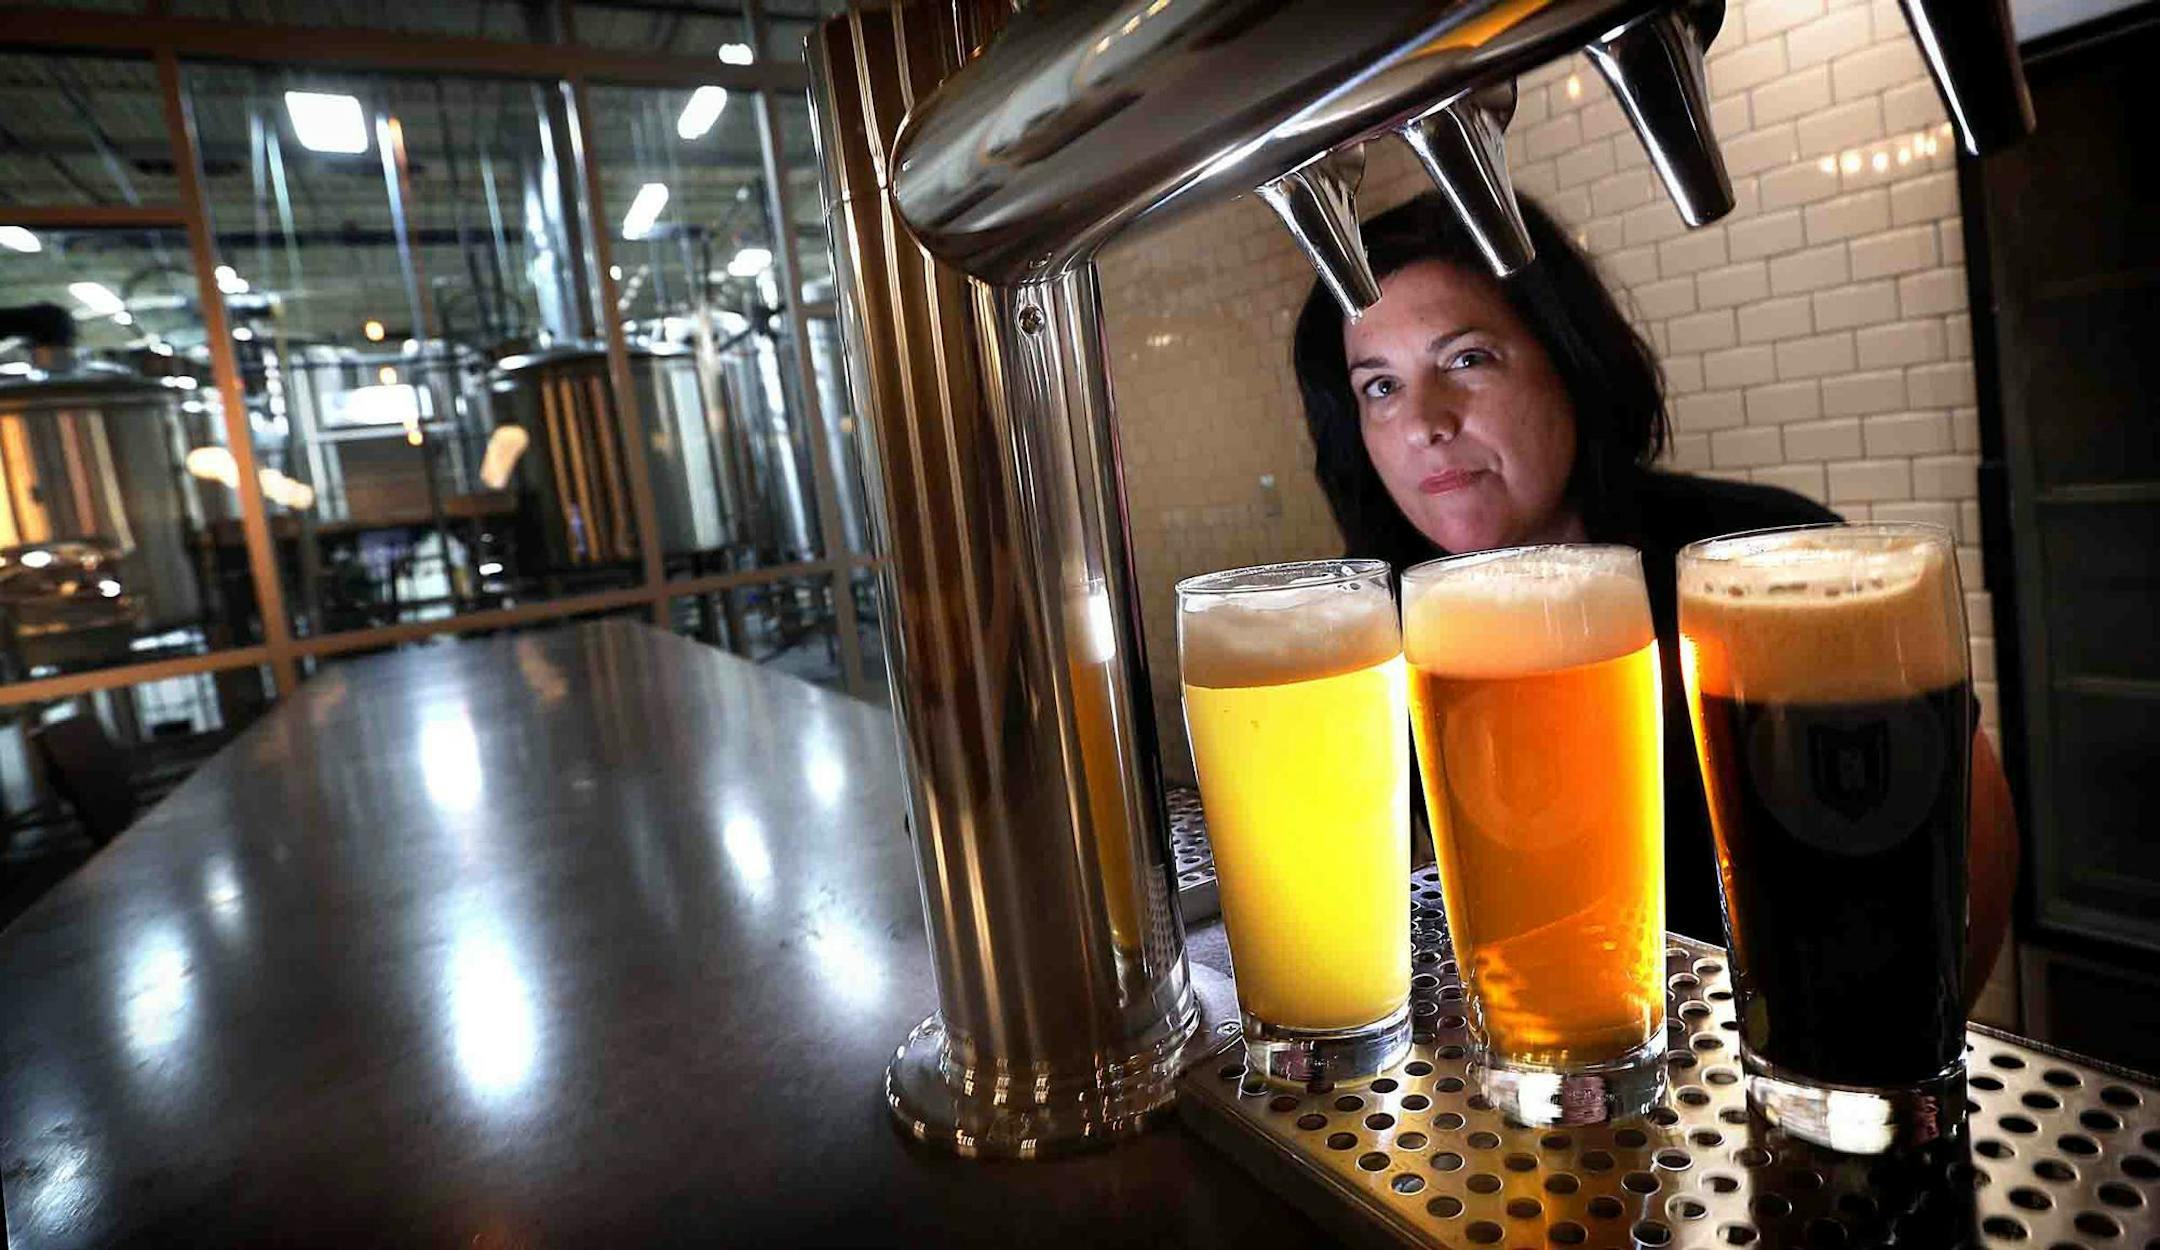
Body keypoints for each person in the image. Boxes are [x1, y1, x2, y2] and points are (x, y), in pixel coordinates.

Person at [1291, 192, 2017, 997]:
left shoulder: (1766, 564)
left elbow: (1965, 836)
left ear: (1568, 358)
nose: (1424, 423)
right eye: (1380, 387)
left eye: (1467, 360)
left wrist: (1916, 1037)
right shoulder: (1377, 629)